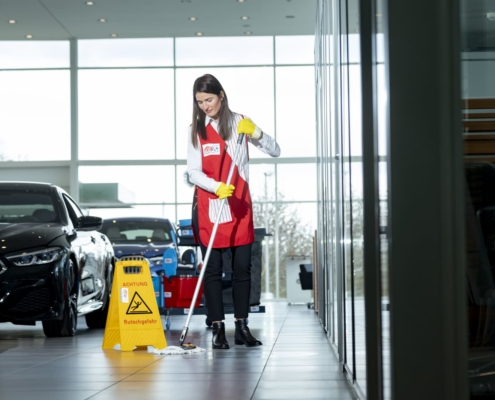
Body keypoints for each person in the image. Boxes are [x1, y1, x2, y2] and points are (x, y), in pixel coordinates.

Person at [187, 74, 281, 349]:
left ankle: (242, 326)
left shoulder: (240, 122)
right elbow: (193, 172)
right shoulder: (196, 130)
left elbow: (275, 151)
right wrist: (216, 187)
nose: (205, 106)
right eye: (200, 101)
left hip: (239, 205)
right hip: (213, 204)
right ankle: (217, 328)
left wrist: (258, 134)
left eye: (209, 99)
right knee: (213, 270)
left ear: (221, 95)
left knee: (242, 268)